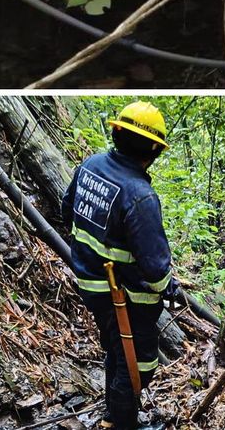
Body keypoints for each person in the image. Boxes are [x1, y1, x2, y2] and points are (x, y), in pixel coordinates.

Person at [61, 101, 179, 430]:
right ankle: (125, 423)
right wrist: (169, 287)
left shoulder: (91, 165)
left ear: (116, 132)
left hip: (91, 284)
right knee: (136, 363)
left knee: (116, 349)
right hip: (124, 296)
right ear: (155, 149)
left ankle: (114, 416)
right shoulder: (140, 195)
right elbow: (155, 267)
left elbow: (67, 211)